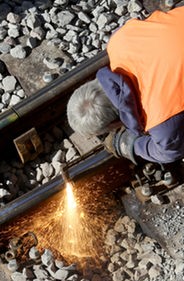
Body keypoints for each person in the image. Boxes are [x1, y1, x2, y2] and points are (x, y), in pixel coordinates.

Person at [67, 6, 184, 165]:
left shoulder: (161, 122)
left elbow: (168, 153)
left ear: (114, 124)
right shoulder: (118, 41)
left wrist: (130, 145)